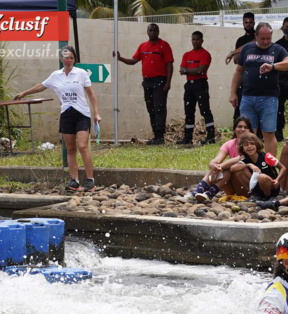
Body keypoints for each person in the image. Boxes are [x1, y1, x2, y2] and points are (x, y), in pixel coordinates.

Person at [14, 45, 101, 192]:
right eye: (66, 58)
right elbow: (42, 85)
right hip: (66, 114)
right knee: (70, 148)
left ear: (74, 59)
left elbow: (91, 95)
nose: (69, 60)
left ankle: (91, 180)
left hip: (82, 114)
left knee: (82, 146)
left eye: (71, 58)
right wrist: (24, 93)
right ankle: (75, 181)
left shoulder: (81, 73)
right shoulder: (56, 75)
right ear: (62, 59)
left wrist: (96, 113)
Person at [229, 22, 288, 158]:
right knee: (247, 133)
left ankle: (270, 166)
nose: (266, 42)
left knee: (269, 133)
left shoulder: (277, 49)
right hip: (247, 97)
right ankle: (248, 163)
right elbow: (238, 71)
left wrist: (273, 66)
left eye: (268, 38)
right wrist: (233, 93)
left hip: (269, 98)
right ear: (256, 36)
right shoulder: (247, 48)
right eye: (262, 39)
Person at [114, 24, 174, 145]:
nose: (152, 32)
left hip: (160, 81)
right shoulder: (143, 46)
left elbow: (169, 64)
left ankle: (160, 136)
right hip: (147, 82)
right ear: (147, 32)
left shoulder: (164, 45)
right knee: (151, 108)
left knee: (159, 108)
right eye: (150, 30)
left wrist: (168, 81)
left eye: (155, 30)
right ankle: (155, 135)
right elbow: (133, 60)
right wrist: (120, 59)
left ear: (158, 31)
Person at [207, 132, 287, 203]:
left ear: (256, 145)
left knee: (261, 176)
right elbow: (233, 168)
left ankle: (268, 199)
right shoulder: (246, 159)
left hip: (272, 186)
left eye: (252, 144)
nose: (249, 147)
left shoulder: (266, 156)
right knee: (240, 170)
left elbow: (282, 168)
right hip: (258, 187)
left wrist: (277, 180)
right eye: (246, 145)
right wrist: (248, 165)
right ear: (243, 149)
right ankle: (255, 195)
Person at [190, 116, 253, 201]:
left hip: (248, 187)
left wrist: (220, 167)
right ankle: (199, 193)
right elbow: (216, 160)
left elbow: (241, 158)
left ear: (249, 130)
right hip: (232, 188)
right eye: (240, 127)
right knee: (223, 168)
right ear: (234, 129)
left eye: (245, 127)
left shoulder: (252, 144)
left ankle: (206, 194)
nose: (242, 129)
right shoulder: (230, 144)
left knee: (231, 168)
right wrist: (213, 166)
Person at [178, 31, 215, 145]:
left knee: (205, 110)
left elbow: (201, 70)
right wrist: (190, 70)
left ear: (202, 40)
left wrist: (186, 70)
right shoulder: (186, 55)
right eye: (193, 39)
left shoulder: (205, 54)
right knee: (189, 111)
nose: (195, 41)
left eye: (198, 39)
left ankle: (210, 137)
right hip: (189, 85)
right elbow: (181, 70)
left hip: (201, 84)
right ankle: (188, 137)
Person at [225, 12, 256, 125]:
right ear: (243, 23)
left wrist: (234, 52)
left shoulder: (257, 37)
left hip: (255, 78)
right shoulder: (240, 40)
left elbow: (253, 43)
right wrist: (238, 53)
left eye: (250, 22)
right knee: (238, 109)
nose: (248, 24)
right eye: (246, 22)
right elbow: (236, 60)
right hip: (243, 78)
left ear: (254, 23)